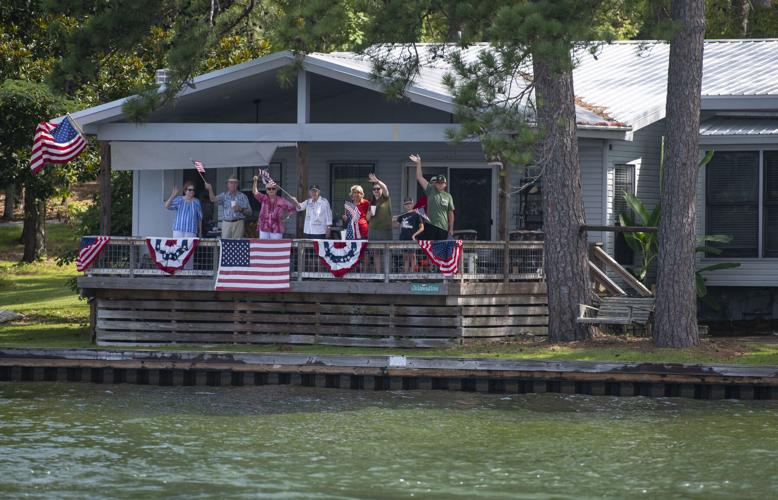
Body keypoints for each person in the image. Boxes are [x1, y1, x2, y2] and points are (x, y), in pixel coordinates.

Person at [409, 154, 455, 240]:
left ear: (445, 184)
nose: (440, 184)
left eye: (442, 183)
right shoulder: (430, 190)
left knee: (441, 250)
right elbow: (419, 177)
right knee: (430, 250)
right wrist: (418, 163)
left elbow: (450, 213)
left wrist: (451, 228)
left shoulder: (448, 196)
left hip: (443, 228)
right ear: (435, 183)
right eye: (438, 182)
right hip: (430, 226)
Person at [394, 197, 425, 273]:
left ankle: (413, 275)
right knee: (406, 258)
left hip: (412, 240)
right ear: (404, 206)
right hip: (403, 238)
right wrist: (393, 220)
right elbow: (396, 226)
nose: (408, 205)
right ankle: (406, 275)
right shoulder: (402, 215)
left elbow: (422, 228)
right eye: (406, 204)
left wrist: (414, 235)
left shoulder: (417, 214)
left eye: (409, 203)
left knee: (413, 256)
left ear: (413, 204)